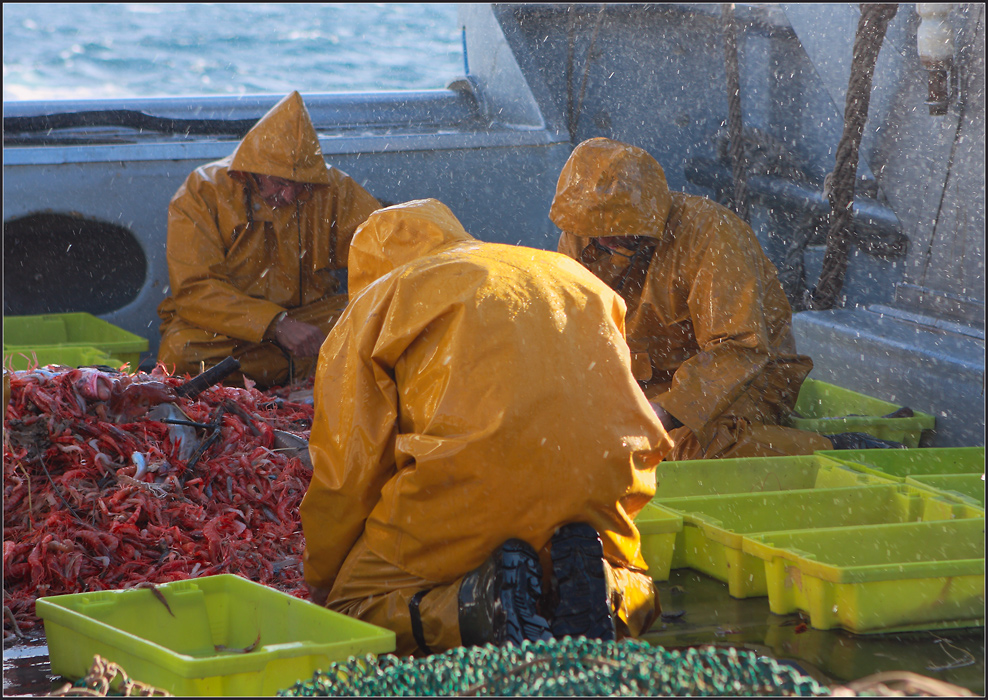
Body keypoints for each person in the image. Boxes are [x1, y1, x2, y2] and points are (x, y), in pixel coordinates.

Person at [300, 198, 674, 656]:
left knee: (351, 609)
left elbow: (349, 466)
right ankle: (613, 594)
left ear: (368, 270)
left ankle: (481, 605)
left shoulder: (383, 299)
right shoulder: (571, 275)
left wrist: (324, 574)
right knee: (630, 569)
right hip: (596, 483)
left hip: (469, 490)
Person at [550, 137, 857, 461]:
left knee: (685, 448)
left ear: (647, 212)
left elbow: (741, 349)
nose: (603, 237)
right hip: (656, 381)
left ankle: (841, 448)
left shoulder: (711, 234)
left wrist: (665, 413)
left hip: (749, 380)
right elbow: (573, 332)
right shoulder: (581, 233)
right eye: (594, 227)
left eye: (617, 226)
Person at [156, 91, 381, 388]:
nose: (288, 195)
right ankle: (307, 375)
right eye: (280, 182)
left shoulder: (332, 187)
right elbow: (195, 290)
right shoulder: (202, 190)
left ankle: (301, 381)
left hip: (311, 320)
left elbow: (387, 244)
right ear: (249, 171)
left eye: (298, 186)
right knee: (180, 352)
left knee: (377, 323)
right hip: (228, 329)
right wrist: (276, 324)